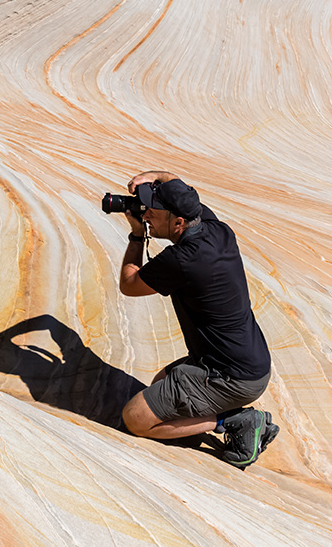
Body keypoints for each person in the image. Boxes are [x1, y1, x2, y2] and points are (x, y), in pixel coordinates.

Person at [116, 170, 277, 468]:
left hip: (232, 377)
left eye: (154, 211)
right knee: (158, 385)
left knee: (136, 418)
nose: (147, 213)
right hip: (248, 363)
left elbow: (129, 284)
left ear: (178, 222)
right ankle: (213, 417)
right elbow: (178, 185)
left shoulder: (182, 260)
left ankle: (235, 420)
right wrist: (151, 176)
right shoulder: (217, 229)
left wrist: (138, 234)